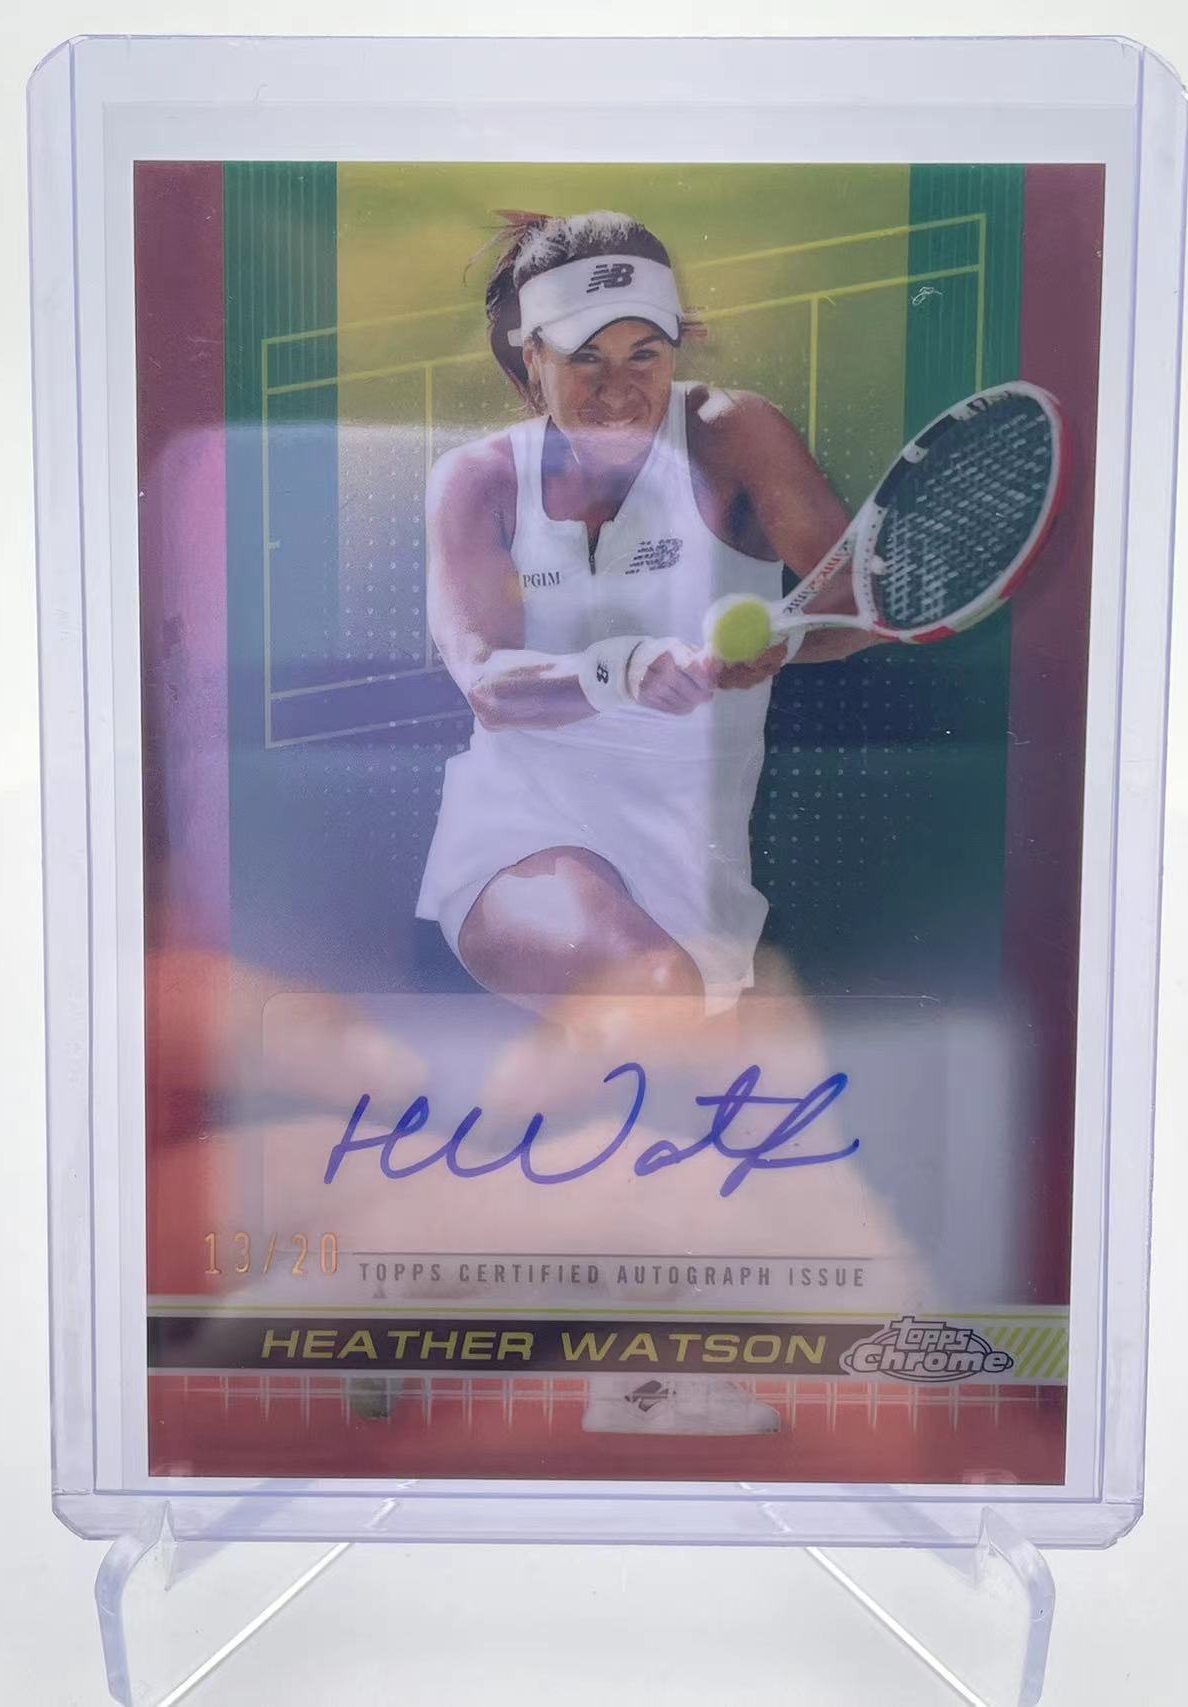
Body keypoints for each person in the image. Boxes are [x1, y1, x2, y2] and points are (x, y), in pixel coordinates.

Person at [416, 209, 880, 1435]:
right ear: (525, 358)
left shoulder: (734, 433)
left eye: (645, 352)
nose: (619, 387)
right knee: (651, 991)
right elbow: (483, 677)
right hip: (518, 834)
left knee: (689, 1101)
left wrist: (776, 642)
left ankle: (417, 1302)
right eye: (584, 357)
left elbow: (844, 606)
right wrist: (627, 669)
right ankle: (633, 1376)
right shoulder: (474, 480)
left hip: (691, 858)